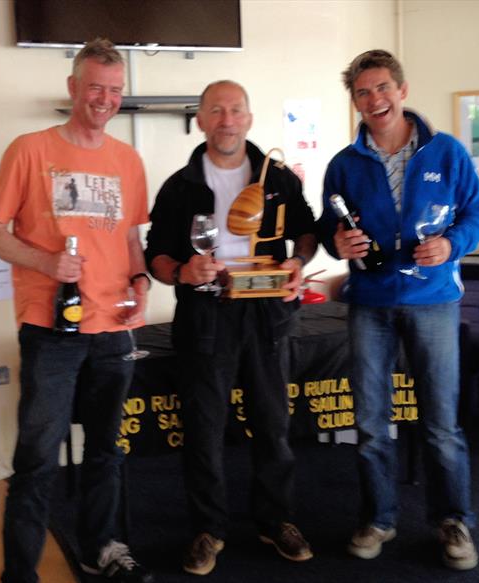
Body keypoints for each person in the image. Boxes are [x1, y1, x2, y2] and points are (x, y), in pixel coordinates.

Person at [0, 39, 153, 583]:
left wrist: (142, 279)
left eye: (115, 90)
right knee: (36, 459)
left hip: (114, 330)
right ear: (74, 87)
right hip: (50, 329)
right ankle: (20, 573)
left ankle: (99, 548)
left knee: (106, 449)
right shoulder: (28, 149)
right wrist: (47, 262)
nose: (105, 99)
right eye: (95, 87)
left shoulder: (128, 159)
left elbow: (129, 237)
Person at [317, 50, 479, 571]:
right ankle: (379, 517)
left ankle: (453, 520)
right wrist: (337, 243)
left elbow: (477, 211)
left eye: (382, 88)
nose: (375, 100)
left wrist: (452, 244)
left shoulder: (446, 152)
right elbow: (331, 230)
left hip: (433, 301)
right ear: (355, 100)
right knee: (371, 423)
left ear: (403, 90)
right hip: (369, 303)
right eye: (363, 92)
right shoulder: (344, 164)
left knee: (440, 424)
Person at [145, 80, 317, 576]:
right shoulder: (179, 186)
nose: (226, 119)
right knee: (203, 427)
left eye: (235, 109)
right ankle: (208, 529)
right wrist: (179, 272)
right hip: (205, 314)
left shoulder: (278, 178)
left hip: (268, 314)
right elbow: (154, 252)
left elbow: (307, 231)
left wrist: (298, 263)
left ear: (249, 117)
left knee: (273, 423)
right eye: (216, 110)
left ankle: (276, 519)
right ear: (201, 119)